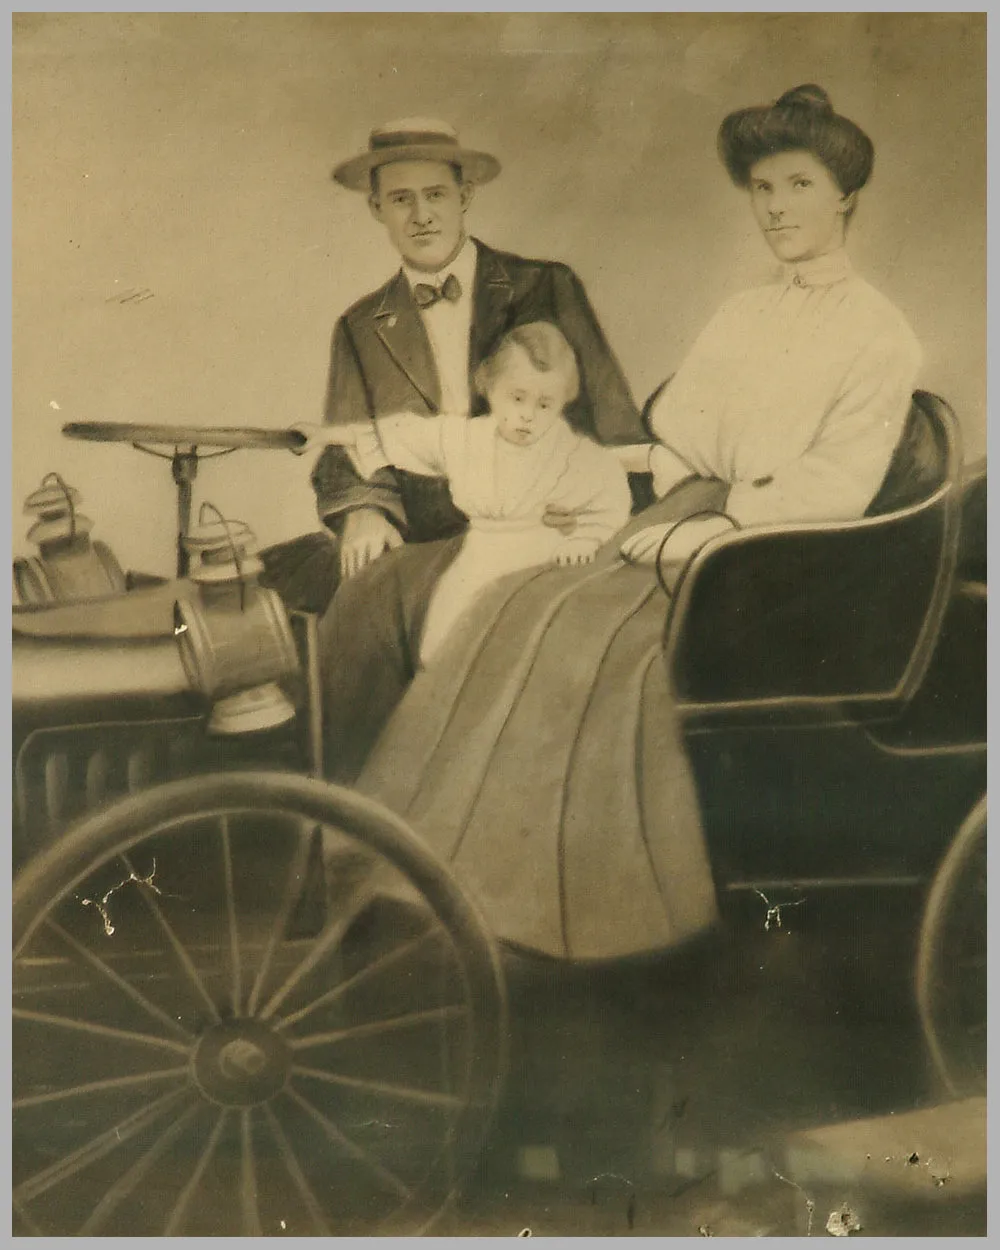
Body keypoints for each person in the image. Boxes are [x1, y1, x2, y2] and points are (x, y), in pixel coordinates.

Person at [325, 84, 925, 964]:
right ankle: (422, 866)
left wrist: (720, 520)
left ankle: (544, 901)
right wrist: (668, 494)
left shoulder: (879, 332)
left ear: (845, 199)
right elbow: (676, 435)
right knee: (516, 605)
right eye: (762, 190)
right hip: (689, 524)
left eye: (798, 186)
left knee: (580, 641)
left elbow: (836, 484)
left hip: (776, 560)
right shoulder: (743, 312)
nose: (777, 209)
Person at [259, 118, 644, 613]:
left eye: (435, 195)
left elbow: (616, 428)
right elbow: (348, 447)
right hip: (422, 542)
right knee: (288, 593)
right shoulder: (359, 326)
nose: (421, 215)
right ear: (377, 208)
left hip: (550, 531)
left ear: (464, 196)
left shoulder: (544, 287)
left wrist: (599, 524)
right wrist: (364, 512)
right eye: (401, 199)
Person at [295, 321, 631, 664]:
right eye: (517, 398)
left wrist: (585, 539)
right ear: (490, 387)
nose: (527, 415)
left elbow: (610, 501)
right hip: (480, 555)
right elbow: (398, 435)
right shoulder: (466, 439)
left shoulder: (573, 453)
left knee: (528, 643)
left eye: (545, 404)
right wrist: (326, 435)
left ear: (562, 402)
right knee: (439, 647)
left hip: (544, 556)